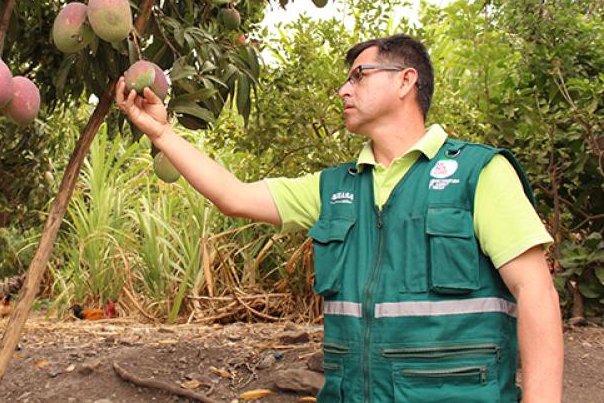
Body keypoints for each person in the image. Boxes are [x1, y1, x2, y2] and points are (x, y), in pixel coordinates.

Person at [116, 33, 563, 402]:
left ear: (406, 81)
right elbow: (234, 196)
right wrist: (161, 131)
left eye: (358, 76)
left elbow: (536, 291)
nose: (343, 90)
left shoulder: (477, 173)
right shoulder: (335, 188)